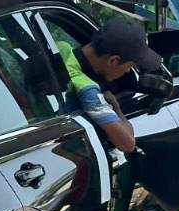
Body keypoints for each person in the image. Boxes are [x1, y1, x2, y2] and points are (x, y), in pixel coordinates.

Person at [54, 17, 162, 153]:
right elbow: (128, 144)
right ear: (113, 60)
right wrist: (116, 107)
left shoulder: (59, 48)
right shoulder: (87, 90)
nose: (128, 71)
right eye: (130, 66)